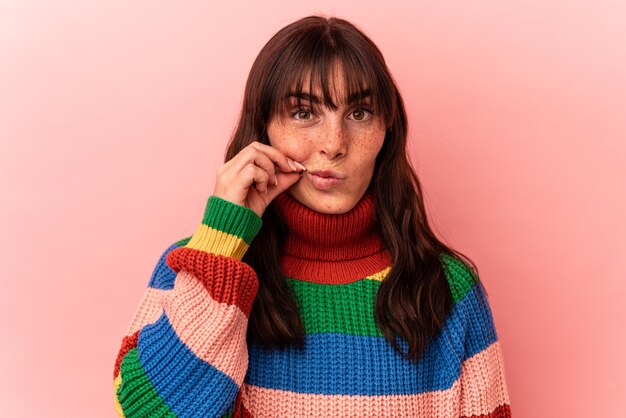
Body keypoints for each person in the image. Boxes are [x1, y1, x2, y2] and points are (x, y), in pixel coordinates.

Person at [112, 15, 512, 418]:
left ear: (387, 128)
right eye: (304, 112)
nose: (333, 144)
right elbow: (146, 413)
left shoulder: (450, 288)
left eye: (359, 113)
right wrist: (222, 243)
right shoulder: (194, 267)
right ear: (264, 127)